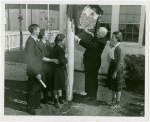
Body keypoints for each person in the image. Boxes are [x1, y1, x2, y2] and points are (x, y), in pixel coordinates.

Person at [74, 27, 108, 101]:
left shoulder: (102, 41)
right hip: (89, 61)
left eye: (98, 32)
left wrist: (78, 40)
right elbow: (89, 41)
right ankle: (88, 93)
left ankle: (93, 96)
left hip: (94, 63)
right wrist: (86, 33)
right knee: (88, 77)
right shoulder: (98, 38)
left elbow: (89, 45)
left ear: (102, 34)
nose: (97, 32)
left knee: (93, 79)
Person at [24, 24, 43, 115]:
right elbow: (30, 59)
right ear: (34, 31)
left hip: (37, 69)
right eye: (38, 30)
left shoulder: (34, 41)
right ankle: (30, 108)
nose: (39, 32)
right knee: (32, 90)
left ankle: (36, 104)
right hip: (33, 71)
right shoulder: (30, 42)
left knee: (36, 89)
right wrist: (36, 73)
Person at [37, 29, 58, 104]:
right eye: (47, 33)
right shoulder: (39, 44)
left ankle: (48, 95)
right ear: (42, 35)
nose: (48, 34)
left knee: (48, 80)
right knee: (42, 80)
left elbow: (51, 49)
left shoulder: (47, 43)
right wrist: (53, 60)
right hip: (42, 65)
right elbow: (42, 57)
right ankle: (42, 97)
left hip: (48, 65)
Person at [107, 31, 125, 108]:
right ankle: (113, 100)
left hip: (117, 68)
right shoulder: (114, 46)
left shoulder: (120, 47)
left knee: (117, 86)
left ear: (117, 38)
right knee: (113, 85)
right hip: (113, 65)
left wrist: (115, 72)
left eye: (113, 37)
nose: (112, 38)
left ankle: (117, 103)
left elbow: (120, 62)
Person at [52, 34, 67, 108]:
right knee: (56, 86)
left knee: (60, 85)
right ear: (60, 41)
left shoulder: (58, 47)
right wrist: (66, 59)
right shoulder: (58, 48)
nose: (64, 41)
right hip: (57, 70)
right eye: (64, 40)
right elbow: (61, 60)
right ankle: (56, 101)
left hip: (59, 69)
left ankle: (60, 98)